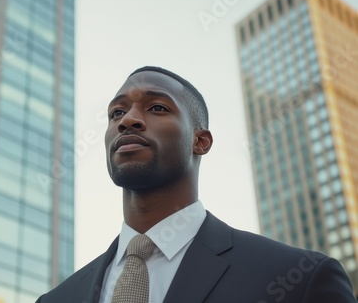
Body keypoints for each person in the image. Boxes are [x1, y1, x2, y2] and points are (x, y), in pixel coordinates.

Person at [36, 66, 357, 302]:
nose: (127, 120)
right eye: (116, 112)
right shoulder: (56, 299)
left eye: (157, 107)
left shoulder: (299, 278)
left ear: (200, 141)